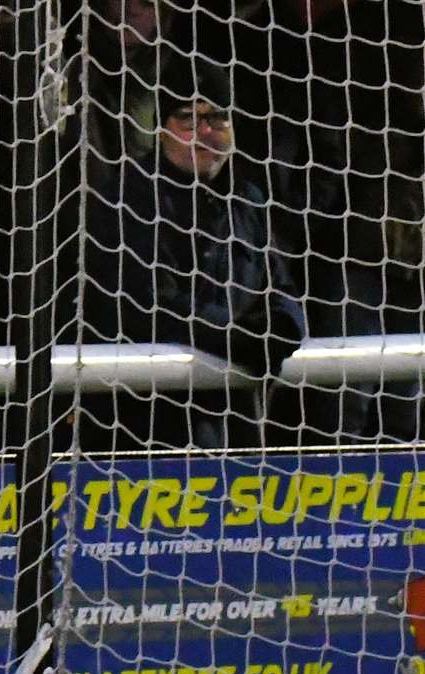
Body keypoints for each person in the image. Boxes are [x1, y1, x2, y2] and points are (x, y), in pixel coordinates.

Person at [79, 61, 305, 451]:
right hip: (144, 431)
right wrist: (235, 339)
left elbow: (282, 286)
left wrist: (283, 327)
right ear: (162, 127)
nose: (205, 132)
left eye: (218, 118)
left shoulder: (247, 200)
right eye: (188, 119)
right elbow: (143, 309)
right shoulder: (127, 199)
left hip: (237, 429)